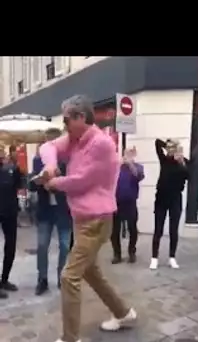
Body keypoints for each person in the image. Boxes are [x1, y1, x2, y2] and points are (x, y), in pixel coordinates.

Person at [39, 94, 136, 342]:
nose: (64, 126)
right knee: (90, 272)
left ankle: (70, 338)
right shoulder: (76, 138)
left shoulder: (101, 144)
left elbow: (82, 181)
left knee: (69, 277)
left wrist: (53, 182)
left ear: (81, 117)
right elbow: (47, 146)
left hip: (96, 220)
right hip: (83, 218)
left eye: (66, 120)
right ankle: (124, 313)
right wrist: (50, 166)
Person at [31, 128, 72, 296]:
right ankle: (42, 279)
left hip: (63, 210)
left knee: (64, 246)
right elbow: (31, 184)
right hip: (45, 210)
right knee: (42, 245)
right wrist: (39, 181)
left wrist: (61, 179)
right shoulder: (37, 160)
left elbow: (74, 183)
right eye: (48, 141)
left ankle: (61, 276)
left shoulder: (67, 161)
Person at [151, 139, 189, 270]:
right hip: (161, 198)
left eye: (175, 148)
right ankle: (154, 258)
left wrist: (181, 162)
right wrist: (169, 144)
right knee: (158, 229)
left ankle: (172, 257)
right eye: (170, 148)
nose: (172, 151)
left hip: (175, 199)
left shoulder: (184, 161)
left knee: (174, 229)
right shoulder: (164, 159)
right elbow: (157, 143)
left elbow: (189, 176)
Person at [111, 147, 144, 264]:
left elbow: (138, 176)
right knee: (114, 230)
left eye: (131, 153)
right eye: (127, 153)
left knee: (133, 229)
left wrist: (130, 164)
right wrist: (118, 165)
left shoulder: (138, 167)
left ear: (134, 154)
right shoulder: (117, 167)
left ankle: (131, 252)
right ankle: (117, 254)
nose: (128, 155)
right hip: (116, 203)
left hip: (130, 203)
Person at [0, 144, 24, 299]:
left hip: (9, 212)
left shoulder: (10, 169)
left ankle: (4, 279)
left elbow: (19, 185)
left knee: (11, 246)